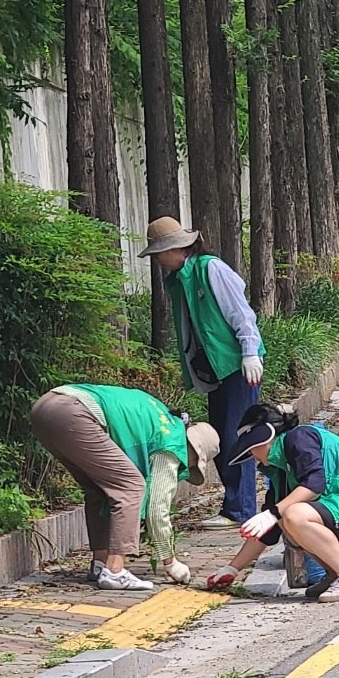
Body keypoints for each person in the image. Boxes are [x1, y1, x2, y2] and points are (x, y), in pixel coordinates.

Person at [139, 216, 264, 529]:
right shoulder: (181, 278)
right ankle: (235, 505)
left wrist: (250, 351)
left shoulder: (211, 269)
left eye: (159, 252)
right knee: (222, 434)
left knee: (240, 435)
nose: (157, 259)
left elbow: (241, 312)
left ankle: (241, 509)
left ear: (177, 248)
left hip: (236, 365)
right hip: (214, 369)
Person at [31, 383, 219, 592]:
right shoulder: (173, 443)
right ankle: (114, 571)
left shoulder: (160, 418)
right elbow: (157, 511)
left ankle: (100, 564)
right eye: (193, 463)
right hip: (76, 412)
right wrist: (171, 563)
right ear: (193, 449)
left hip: (47, 407)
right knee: (132, 486)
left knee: (99, 489)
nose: (188, 467)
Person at [206, 404, 339, 602]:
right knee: (284, 518)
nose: (253, 456)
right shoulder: (281, 471)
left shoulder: (300, 437)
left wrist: (273, 513)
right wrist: (232, 569)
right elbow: (268, 532)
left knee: (293, 515)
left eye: (251, 447)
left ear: (264, 437)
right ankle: (334, 576)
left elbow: (315, 484)